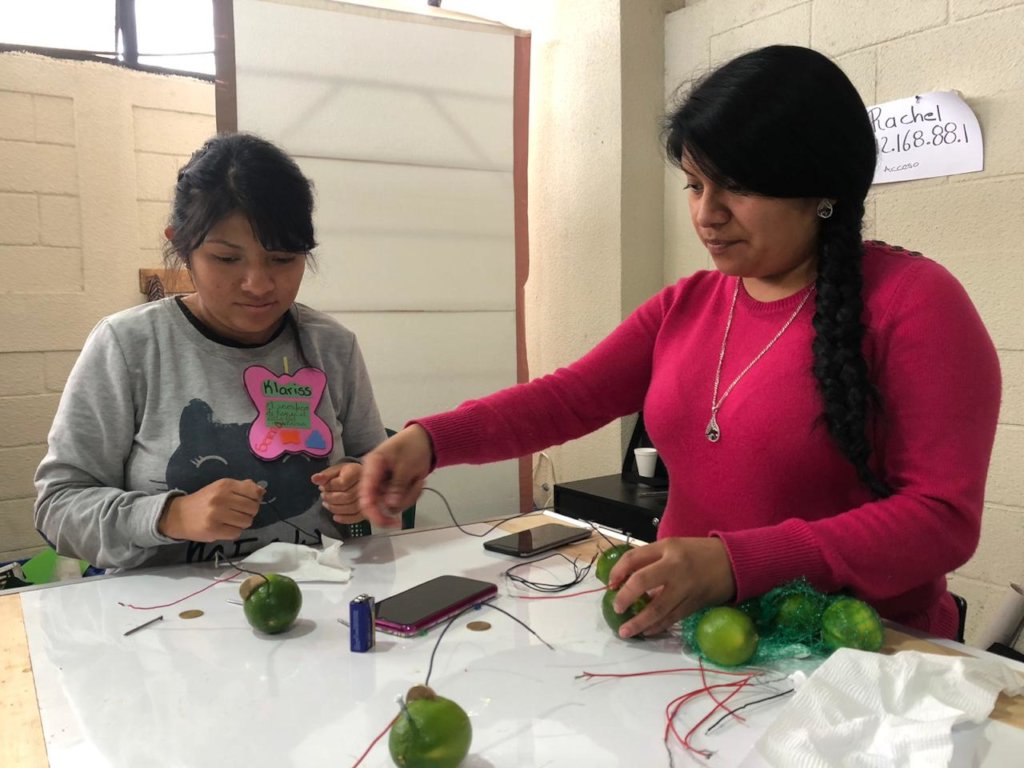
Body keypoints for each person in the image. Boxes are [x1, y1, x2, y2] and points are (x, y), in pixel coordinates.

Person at [357, 45, 1001, 641]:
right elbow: (565, 400)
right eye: (694, 184)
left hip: (858, 656)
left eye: (737, 186)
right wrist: (432, 440)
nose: (706, 213)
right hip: (697, 638)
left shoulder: (914, 302)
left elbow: (939, 518)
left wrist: (737, 561)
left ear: (822, 190)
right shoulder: (688, 305)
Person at [34, 133, 387, 569]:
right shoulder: (129, 346)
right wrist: (168, 515)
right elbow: (57, 508)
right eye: (226, 259)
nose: (258, 284)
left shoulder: (330, 346)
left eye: (281, 259)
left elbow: (377, 468)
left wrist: (362, 485)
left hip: (314, 610)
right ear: (183, 247)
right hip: (168, 621)